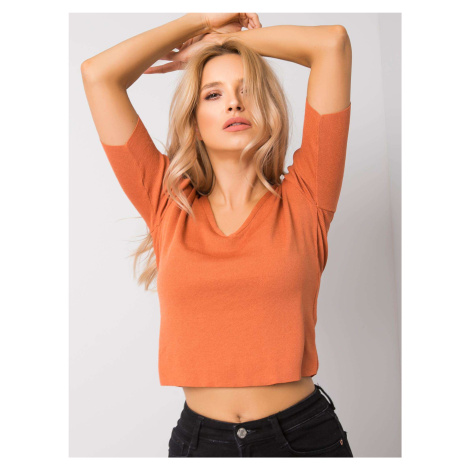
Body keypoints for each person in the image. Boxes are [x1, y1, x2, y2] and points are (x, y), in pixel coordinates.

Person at [81, 12, 353, 458]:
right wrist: (201, 22)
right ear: (195, 123)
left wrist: (226, 45)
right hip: (200, 444)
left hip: (304, 439)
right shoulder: (167, 202)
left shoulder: (308, 197)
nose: (234, 104)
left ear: (270, 113)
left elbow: (332, 44)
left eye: (248, 91)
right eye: (214, 94)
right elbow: (98, 75)